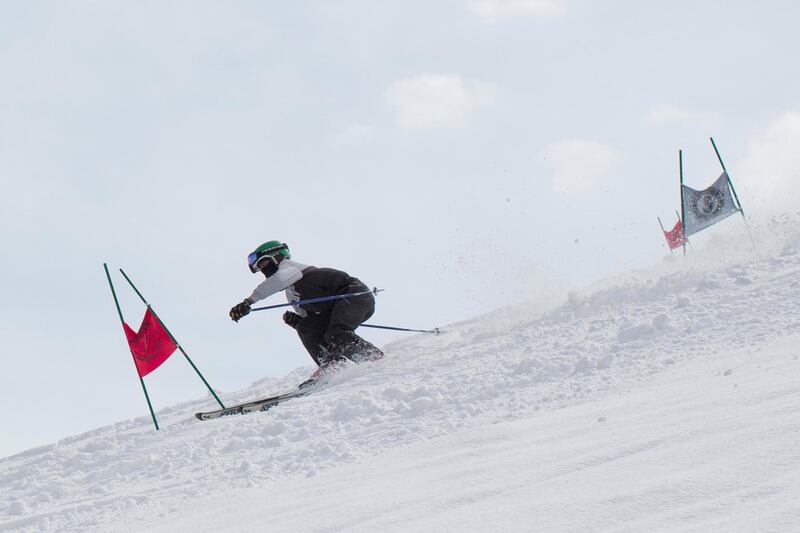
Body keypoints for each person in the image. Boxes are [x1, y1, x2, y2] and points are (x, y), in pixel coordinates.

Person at [229, 241, 383, 383]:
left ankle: (371, 357)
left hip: (354, 295)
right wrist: (297, 322)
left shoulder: (290, 268)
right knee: (305, 326)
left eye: (264, 264)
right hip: (338, 306)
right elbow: (311, 321)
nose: (263, 270)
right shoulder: (291, 293)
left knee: (335, 333)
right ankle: (332, 364)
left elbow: (277, 281)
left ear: (276, 257)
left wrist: (248, 302)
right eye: (260, 268)